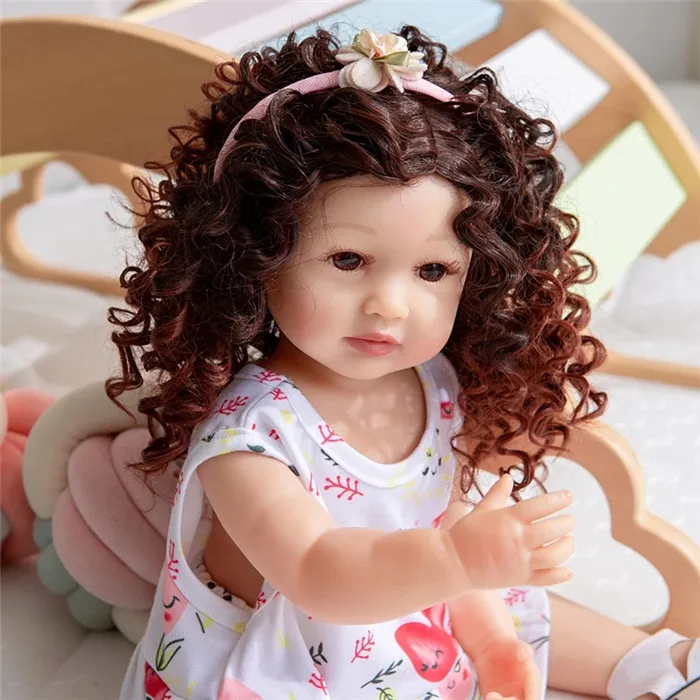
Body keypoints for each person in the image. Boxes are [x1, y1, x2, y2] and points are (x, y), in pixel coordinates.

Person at [109, 26, 699, 700]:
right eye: (348, 260)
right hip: (287, 665)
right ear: (257, 256)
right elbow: (318, 571)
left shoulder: (435, 384)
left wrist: (490, 640)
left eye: (432, 270)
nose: (389, 305)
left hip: (414, 610)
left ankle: (658, 667)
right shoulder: (250, 434)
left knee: (522, 610)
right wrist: (454, 560)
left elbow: (442, 522)